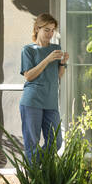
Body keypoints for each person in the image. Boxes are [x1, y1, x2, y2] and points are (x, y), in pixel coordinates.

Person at [19, 13, 69, 163]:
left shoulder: (56, 48)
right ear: (37, 29)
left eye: (52, 30)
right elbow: (28, 76)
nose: (50, 34)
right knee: (32, 144)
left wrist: (63, 63)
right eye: (46, 30)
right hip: (32, 101)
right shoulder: (28, 50)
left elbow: (58, 75)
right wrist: (47, 59)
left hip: (51, 102)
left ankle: (36, 165)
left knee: (57, 142)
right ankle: (34, 183)